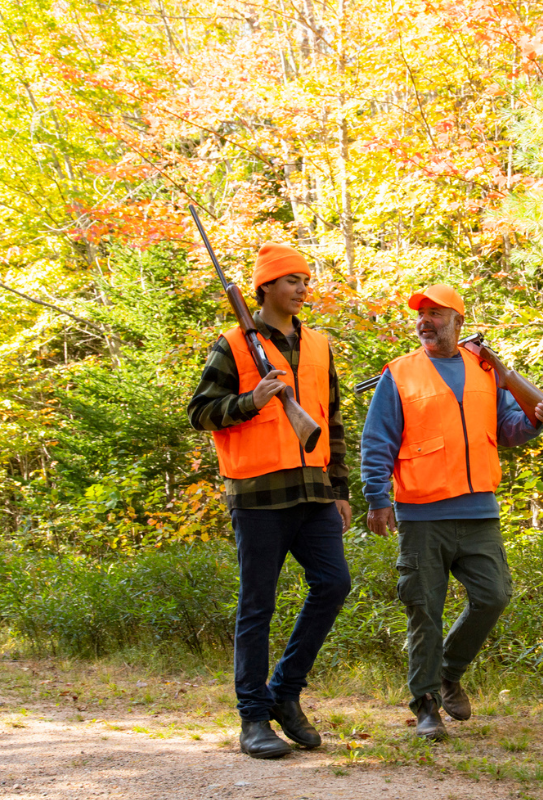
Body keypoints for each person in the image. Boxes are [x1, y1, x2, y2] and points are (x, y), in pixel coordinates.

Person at [360, 284, 543, 740]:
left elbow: (508, 430)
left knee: (495, 595)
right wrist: (377, 498)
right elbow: (378, 441)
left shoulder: (486, 371)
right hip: (422, 511)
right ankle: (426, 702)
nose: (425, 321)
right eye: (421, 315)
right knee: (423, 609)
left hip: (478, 512)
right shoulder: (400, 373)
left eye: (435, 314)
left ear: (459, 322)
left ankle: (449, 671)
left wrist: (534, 420)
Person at [187, 243, 352, 759]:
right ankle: (253, 718)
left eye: (305, 280)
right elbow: (200, 413)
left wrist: (341, 490)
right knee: (257, 606)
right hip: (258, 495)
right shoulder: (233, 344)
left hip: (313, 492)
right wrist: (250, 401)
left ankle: (285, 690)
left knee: (334, 584)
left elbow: (335, 422)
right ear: (265, 288)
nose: (303, 289)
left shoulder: (320, 345)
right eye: (291, 281)